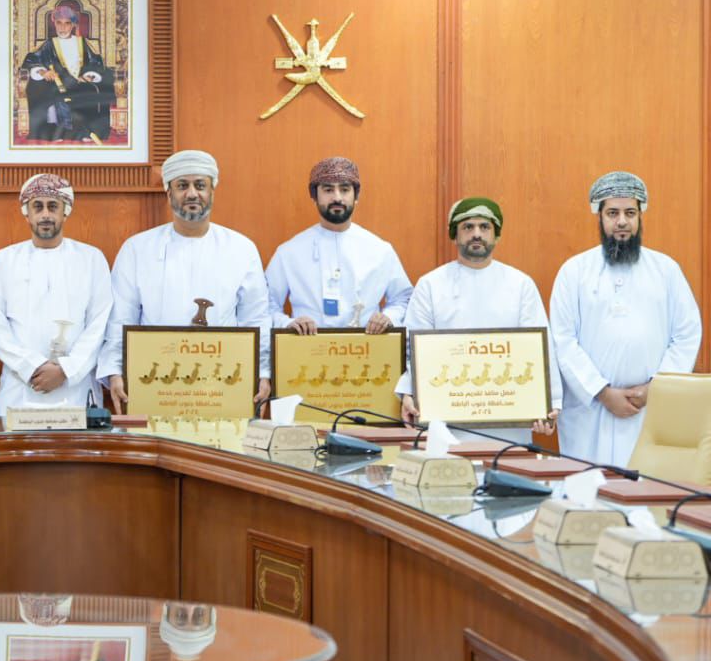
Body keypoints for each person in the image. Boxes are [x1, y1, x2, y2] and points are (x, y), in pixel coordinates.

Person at [98, 150, 272, 414]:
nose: (192, 194)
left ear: (212, 191)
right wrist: (115, 370)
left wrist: (263, 371)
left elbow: (256, 318)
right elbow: (120, 318)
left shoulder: (241, 248)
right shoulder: (137, 249)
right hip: (156, 383)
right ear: (169, 193)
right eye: (182, 186)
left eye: (200, 185)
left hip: (223, 384)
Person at [551, 172, 701, 465]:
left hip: (649, 409)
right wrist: (601, 392)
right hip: (592, 411)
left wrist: (655, 389)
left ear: (640, 216)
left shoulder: (666, 270)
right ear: (599, 216)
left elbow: (687, 334)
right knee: (590, 488)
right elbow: (563, 340)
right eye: (613, 213)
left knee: (647, 488)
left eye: (630, 213)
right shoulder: (574, 271)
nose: (622, 221)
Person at [397, 197, 560, 441]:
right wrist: (409, 393)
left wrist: (549, 403)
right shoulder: (430, 285)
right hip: (446, 425)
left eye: (484, 227)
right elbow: (414, 350)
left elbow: (540, 349)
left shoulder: (520, 284)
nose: (476, 234)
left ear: (496, 235)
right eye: (468, 227)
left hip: (508, 426)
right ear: (455, 235)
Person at [0, 174, 112, 416]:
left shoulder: (91, 259)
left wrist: (66, 369)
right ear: (27, 213)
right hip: (20, 388)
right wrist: (31, 366)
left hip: (75, 389)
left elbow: (100, 323)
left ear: (65, 212)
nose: (45, 215)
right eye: (37, 207)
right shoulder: (5, 260)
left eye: (53, 207)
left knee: (76, 443)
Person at [265, 156, 412, 334]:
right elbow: (266, 304)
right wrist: (288, 323)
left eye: (344, 189)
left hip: (366, 346)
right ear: (314, 196)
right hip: (307, 346)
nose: (337, 197)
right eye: (328, 190)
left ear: (356, 196)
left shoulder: (380, 250)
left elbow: (403, 298)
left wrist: (388, 318)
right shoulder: (289, 252)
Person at [22, 4, 115, 143]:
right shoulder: (49, 44)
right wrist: (42, 71)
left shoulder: (82, 43)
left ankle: (90, 131)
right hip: (58, 84)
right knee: (58, 94)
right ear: (55, 23)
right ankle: (62, 133)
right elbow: (31, 61)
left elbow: (96, 63)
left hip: (81, 83)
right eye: (59, 23)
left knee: (93, 92)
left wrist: (90, 74)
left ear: (73, 25)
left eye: (67, 23)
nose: (62, 27)